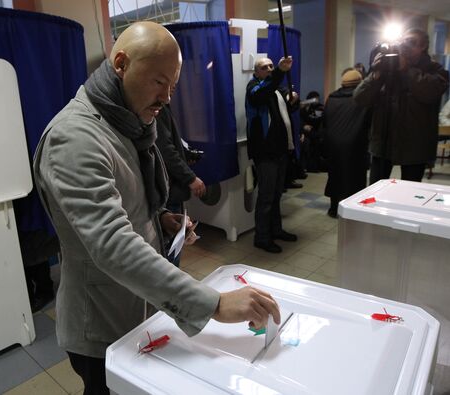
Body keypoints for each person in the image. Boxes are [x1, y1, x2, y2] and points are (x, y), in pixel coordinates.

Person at [33, 21, 280, 394]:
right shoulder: (75, 138)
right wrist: (213, 305)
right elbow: (111, 242)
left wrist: (160, 218)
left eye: (173, 85)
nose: (167, 97)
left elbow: (123, 203)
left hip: (138, 307)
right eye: (159, 81)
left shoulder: (126, 122)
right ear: (121, 64)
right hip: (102, 322)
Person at [354, 28, 449, 184]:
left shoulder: (435, 70)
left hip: (415, 147)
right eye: (404, 41)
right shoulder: (387, 67)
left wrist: (407, 70)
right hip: (383, 143)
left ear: (423, 46)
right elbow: (359, 98)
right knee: (376, 191)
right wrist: (376, 75)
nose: (406, 46)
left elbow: (430, 92)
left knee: (409, 194)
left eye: (412, 42)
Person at [245, 56, 299, 254]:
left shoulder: (276, 89)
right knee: (266, 197)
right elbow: (261, 94)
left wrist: (293, 100)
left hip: (280, 150)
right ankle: (262, 237)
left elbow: (287, 111)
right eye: (264, 67)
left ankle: (276, 230)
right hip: (265, 153)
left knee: (276, 195)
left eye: (270, 66)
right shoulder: (254, 87)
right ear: (256, 72)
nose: (268, 69)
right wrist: (279, 71)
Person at [155, 103, 206, 266]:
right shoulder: (157, 108)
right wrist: (190, 178)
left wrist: (186, 155)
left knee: (172, 244)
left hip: (167, 190)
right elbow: (166, 149)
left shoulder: (161, 106)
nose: (168, 94)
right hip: (167, 189)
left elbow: (171, 144)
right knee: (171, 251)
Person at [323, 69, 372, 218]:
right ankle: (352, 212)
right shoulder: (362, 99)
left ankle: (333, 208)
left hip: (333, 144)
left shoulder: (332, 98)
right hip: (355, 145)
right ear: (359, 83)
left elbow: (325, 122)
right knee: (355, 178)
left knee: (335, 176)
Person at [299, 90, 325, 173]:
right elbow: (300, 119)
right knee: (311, 139)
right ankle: (307, 167)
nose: (316, 100)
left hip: (316, 131)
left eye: (317, 98)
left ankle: (313, 166)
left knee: (315, 138)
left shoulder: (320, 107)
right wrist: (304, 126)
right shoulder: (303, 108)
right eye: (314, 99)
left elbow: (317, 120)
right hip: (305, 131)